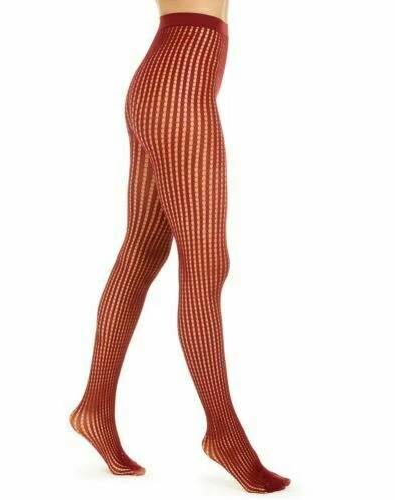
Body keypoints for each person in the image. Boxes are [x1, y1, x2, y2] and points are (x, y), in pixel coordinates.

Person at [69, 0, 291, 493]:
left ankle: (95, 407)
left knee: (143, 251)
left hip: (165, 83)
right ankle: (224, 433)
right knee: (207, 263)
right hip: (178, 91)